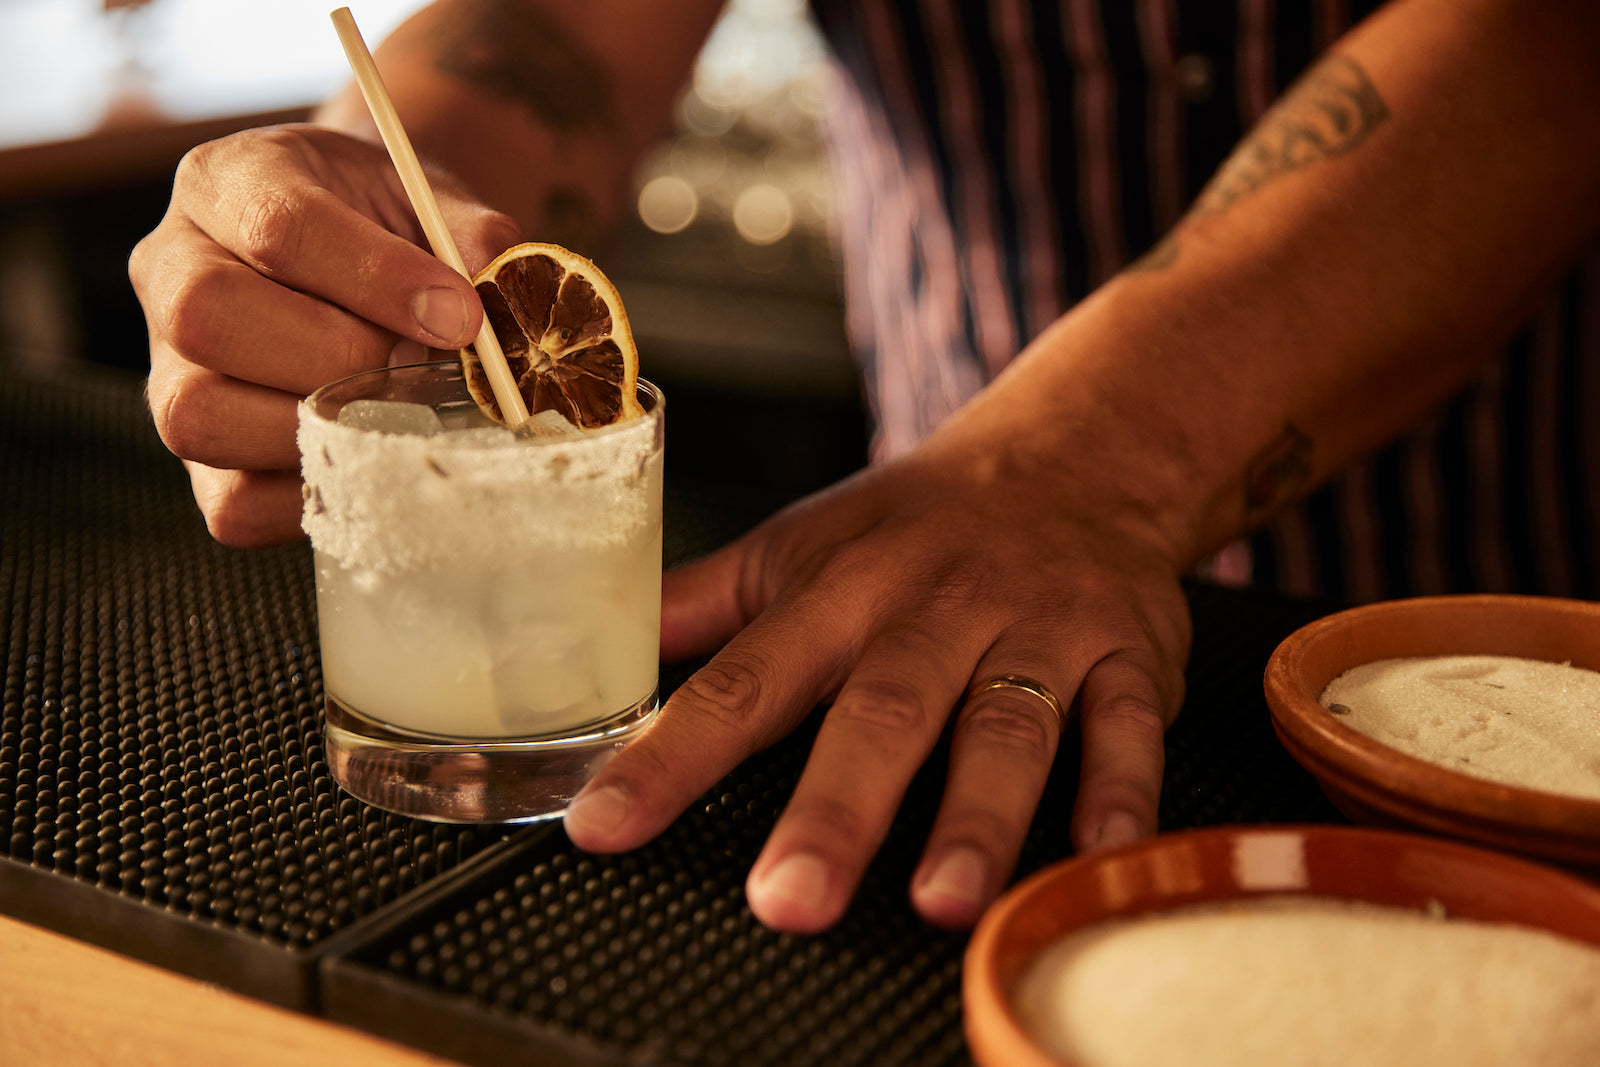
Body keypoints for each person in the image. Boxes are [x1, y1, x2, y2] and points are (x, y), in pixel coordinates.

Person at [130, 0, 1600, 935]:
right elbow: (559, 38)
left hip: (1519, 644)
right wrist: (351, 231)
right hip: (935, 625)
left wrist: (1085, 464)